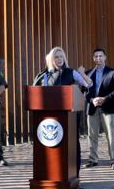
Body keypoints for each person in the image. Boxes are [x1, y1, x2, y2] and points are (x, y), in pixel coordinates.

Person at [33, 46, 92, 177]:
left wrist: (82, 74)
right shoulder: (44, 75)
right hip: (49, 117)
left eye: (61, 57)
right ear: (51, 59)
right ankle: (52, 173)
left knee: (71, 143)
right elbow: (35, 92)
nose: (59, 59)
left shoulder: (71, 72)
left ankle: (73, 173)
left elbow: (89, 85)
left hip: (69, 116)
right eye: (56, 57)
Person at [82, 48, 114, 170]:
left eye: (100, 56)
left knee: (110, 135)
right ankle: (93, 160)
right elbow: (84, 91)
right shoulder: (88, 73)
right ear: (93, 58)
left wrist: (104, 99)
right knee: (92, 135)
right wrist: (91, 100)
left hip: (107, 108)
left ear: (105, 57)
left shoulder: (112, 72)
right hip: (92, 108)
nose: (98, 58)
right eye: (96, 56)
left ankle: (113, 160)